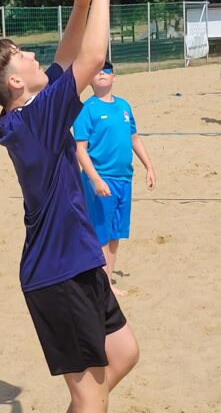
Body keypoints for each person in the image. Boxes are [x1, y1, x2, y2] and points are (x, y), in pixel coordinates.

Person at [0, 0, 138, 413]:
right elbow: (92, 57)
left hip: (76, 261)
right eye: (21, 55)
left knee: (123, 354)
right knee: (90, 394)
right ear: (15, 82)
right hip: (57, 275)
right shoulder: (36, 120)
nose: (32, 54)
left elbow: (65, 59)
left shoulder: (30, 112)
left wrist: (80, 2)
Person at [73, 61, 156, 297]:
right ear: (90, 80)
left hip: (124, 178)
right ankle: (101, 286)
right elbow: (80, 149)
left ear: (114, 77)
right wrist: (95, 180)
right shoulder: (86, 109)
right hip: (101, 179)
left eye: (107, 71)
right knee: (101, 233)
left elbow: (134, 139)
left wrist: (149, 166)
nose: (102, 74)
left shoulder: (124, 106)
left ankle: (107, 281)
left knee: (115, 233)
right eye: (97, 71)